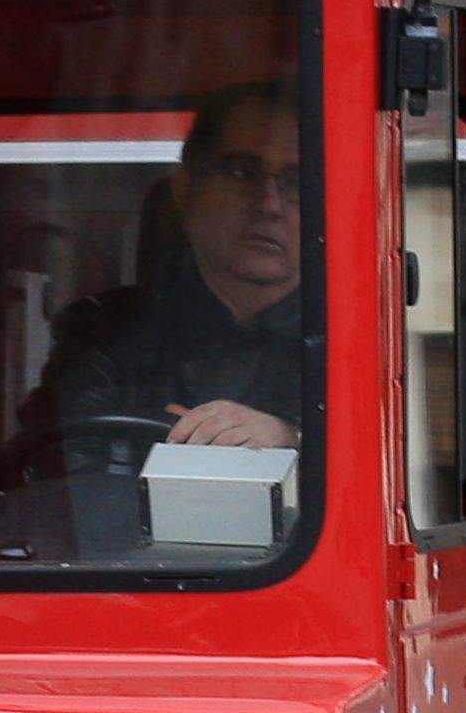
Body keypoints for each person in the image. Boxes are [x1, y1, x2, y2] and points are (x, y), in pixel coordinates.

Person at [31, 82, 314, 454]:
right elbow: (59, 474)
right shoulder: (103, 333)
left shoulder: (348, 346)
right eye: (243, 173)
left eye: (294, 182)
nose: (269, 204)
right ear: (187, 191)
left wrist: (292, 441)